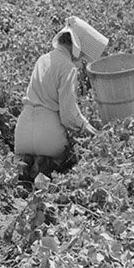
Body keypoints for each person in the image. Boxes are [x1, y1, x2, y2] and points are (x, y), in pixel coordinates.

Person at [14, 21, 95, 177]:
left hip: (22, 131)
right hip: (49, 136)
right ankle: (46, 163)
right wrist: (87, 127)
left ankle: (27, 161)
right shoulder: (68, 67)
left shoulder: (42, 59)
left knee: (24, 158)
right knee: (67, 159)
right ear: (74, 46)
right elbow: (68, 113)